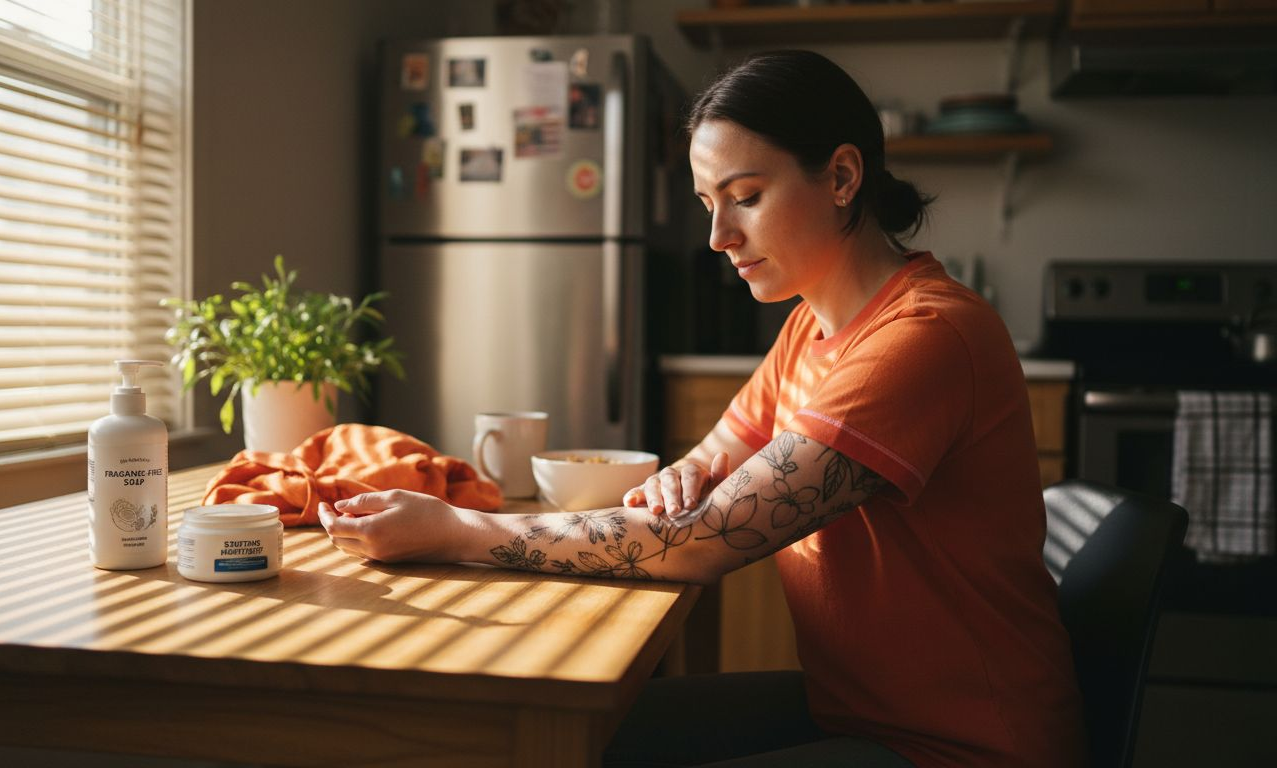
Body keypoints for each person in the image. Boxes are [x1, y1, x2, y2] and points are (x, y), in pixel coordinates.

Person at [318, 50, 1087, 768]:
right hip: (853, 710)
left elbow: (704, 542)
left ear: (843, 176)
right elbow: (713, 460)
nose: (719, 236)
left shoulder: (923, 338)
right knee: (589, 735)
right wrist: (681, 480)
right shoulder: (809, 327)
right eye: (707, 203)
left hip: (962, 745)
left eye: (747, 198)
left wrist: (455, 530)